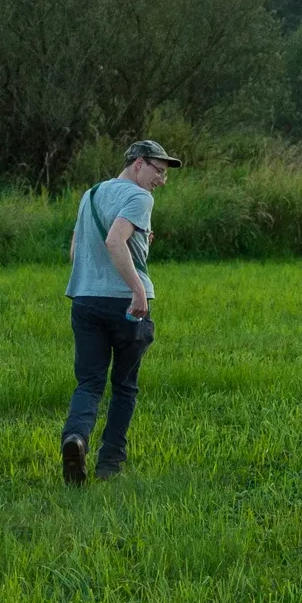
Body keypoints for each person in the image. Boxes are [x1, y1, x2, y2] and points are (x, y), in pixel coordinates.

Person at [60, 140, 181, 485]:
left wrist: (140, 246)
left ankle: (76, 439)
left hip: (84, 300)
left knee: (89, 382)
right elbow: (114, 241)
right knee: (125, 386)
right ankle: (109, 464)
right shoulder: (140, 197)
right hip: (123, 304)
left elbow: (75, 252)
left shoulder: (92, 194)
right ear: (138, 163)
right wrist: (138, 290)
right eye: (158, 171)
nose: (161, 180)